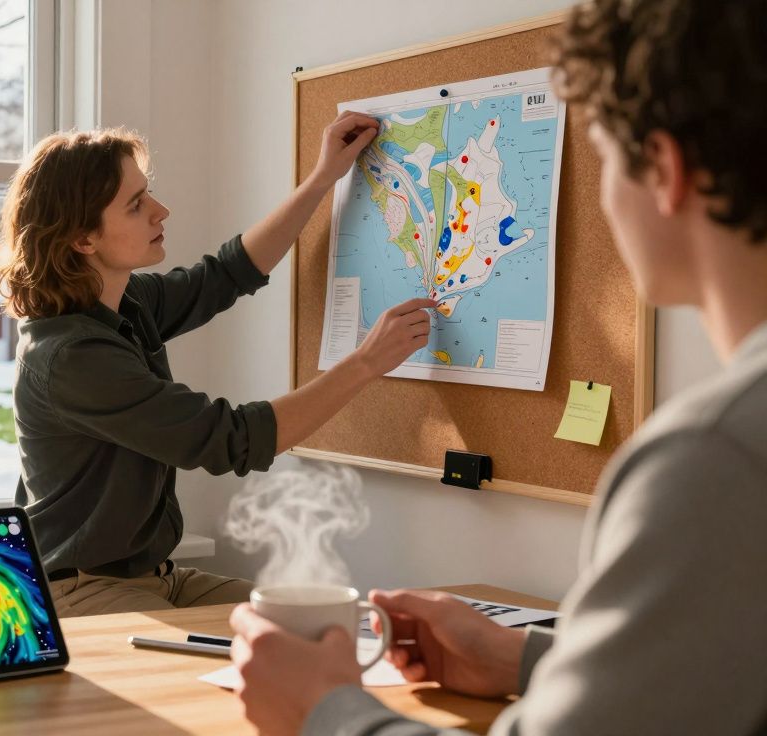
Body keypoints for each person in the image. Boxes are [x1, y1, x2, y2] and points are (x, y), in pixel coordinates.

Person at [228, 1, 767, 733]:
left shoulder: (716, 458)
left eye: (605, 160)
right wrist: (525, 658)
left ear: (666, 171)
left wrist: (323, 711)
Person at [0, 115, 437, 617]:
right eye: (136, 205)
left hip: (158, 578)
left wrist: (323, 178)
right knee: (294, 641)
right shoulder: (72, 357)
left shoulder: (122, 304)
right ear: (82, 239)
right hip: (83, 591)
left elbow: (227, 274)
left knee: (326, 624)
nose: (161, 211)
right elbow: (234, 439)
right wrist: (366, 362)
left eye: (147, 193)